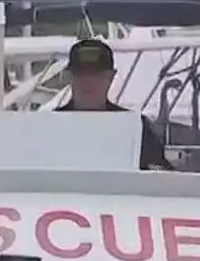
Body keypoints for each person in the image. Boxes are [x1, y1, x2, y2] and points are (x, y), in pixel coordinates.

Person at [54, 38, 173, 170]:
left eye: (96, 74)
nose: (88, 80)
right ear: (69, 76)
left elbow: (159, 174)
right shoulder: (47, 126)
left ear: (111, 76)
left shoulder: (136, 128)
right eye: (80, 74)